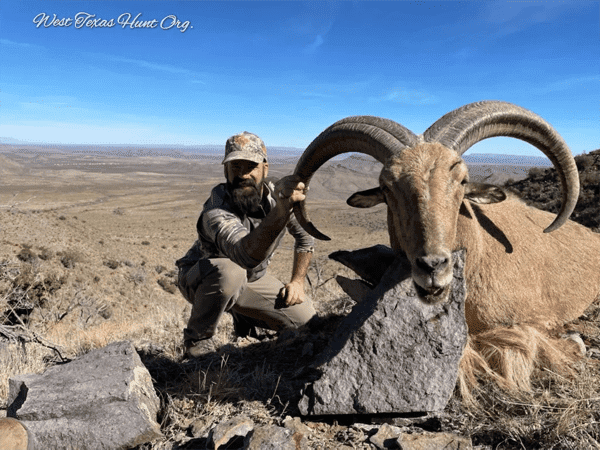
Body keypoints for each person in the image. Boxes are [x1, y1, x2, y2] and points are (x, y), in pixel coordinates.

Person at [176, 131, 316, 358]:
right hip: (202, 277)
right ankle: (196, 342)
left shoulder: (275, 196)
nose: (243, 174)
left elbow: (305, 237)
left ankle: (245, 318)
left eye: (250, 166)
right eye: (235, 167)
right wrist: (281, 211)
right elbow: (245, 256)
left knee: (308, 322)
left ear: (265, 169)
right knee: (231, 272)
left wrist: (298, 281)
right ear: (225, 171)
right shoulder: (215, 209)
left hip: (252, 278)